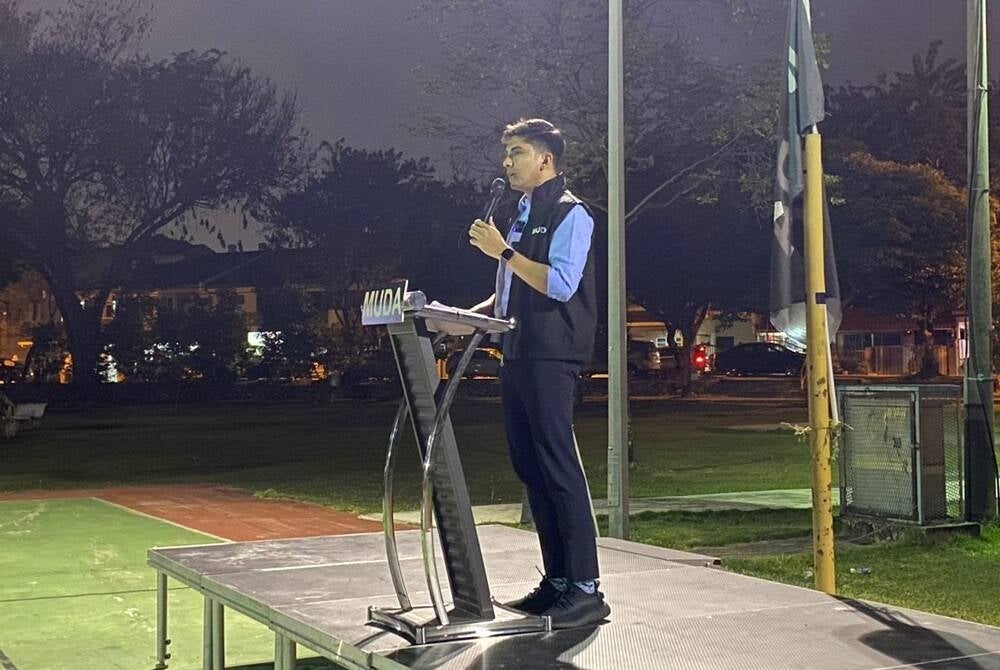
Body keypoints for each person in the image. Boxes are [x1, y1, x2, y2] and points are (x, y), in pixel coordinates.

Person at [467, 118, 609, 629]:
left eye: (518, 153)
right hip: (517, 351)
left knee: (558, 466)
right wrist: (459, 318)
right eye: (506, 153)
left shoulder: (572, 214)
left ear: (546, 159)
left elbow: (560, 284)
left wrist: (503, 251)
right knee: (530, 467)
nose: (507, 162)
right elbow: (510, 290)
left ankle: (586, 589)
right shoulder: (522, 212)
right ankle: (557, 582)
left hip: (552, 354)